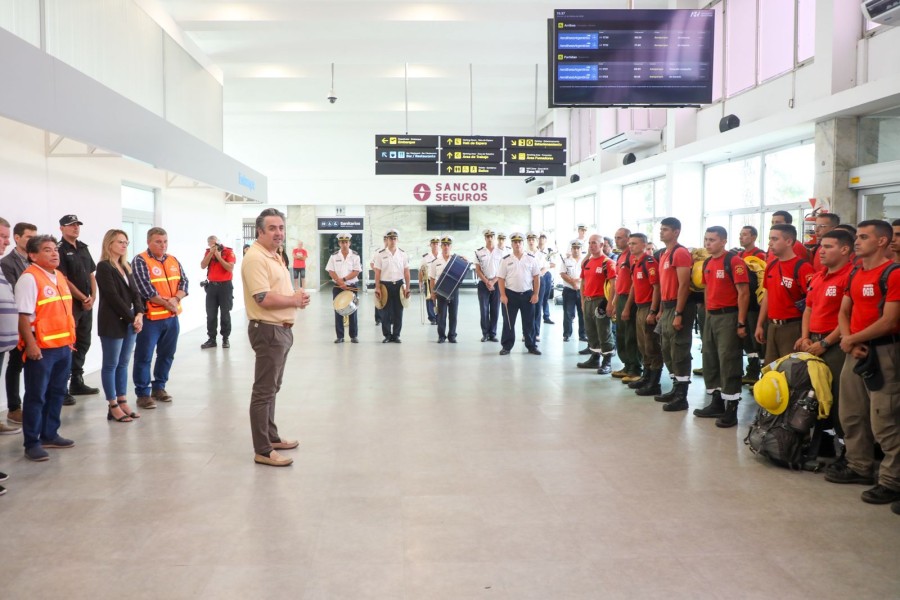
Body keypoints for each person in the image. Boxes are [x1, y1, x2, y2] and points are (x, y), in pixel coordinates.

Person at [829, 220, 900, 510]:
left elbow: (890, 321)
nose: (856, 242)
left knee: (885, 419)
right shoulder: (856, 272)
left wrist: (853, 338)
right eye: (856, 236)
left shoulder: (893, 274)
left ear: (882, 242)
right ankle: (859, 466)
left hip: (883, 353)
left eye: (863, 237)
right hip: (854, 351)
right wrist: (848, 339)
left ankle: (891, 481)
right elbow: (845, 310)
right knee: (851, 413)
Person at [242, 208, 309, 467]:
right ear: (260, 231)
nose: (278, 233)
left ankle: (272, 437)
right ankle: (263, 450)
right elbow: (263, 297)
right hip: (268, 330)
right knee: (263, 392)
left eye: (281, 228)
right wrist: (292, 299)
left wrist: (295, 299)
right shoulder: (255, 258)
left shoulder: (275, 255)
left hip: (280, 329)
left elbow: (275, 290)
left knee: (272, 388)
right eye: (272, 228)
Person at [16, 234, 76, 461]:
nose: (54, 254)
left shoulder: (58, 276)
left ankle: (50, 433)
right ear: (33, 255)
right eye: (47, 250)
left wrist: (70, 341)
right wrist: (30, 346)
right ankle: (32, 442)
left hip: (63, 346)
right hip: (41, 349)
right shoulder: (29, 278)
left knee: (57, 393)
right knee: (36, 395)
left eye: (55, 250)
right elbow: (23, 316)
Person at [795, 229, 854, 460]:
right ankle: (824, 443)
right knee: (817, 396)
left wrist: (827, 342)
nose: (821, 251)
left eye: (828, 247)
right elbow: (809, 308)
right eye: (821, 246)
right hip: (814, 342)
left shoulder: (850, 276)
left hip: (836, 345)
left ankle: (847, 452)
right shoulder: (819, 277)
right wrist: (805, 336)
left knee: (840, 399)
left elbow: (849, 316)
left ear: (845, 249)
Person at [692, 226, 749, 428]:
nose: (708, 243)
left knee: (728, 359)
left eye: (712, 240)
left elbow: (743, 293)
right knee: (710, 358)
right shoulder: (707, 262)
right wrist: (707, 314)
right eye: (706, 239)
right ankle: (716, 401)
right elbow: (708, 290)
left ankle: (731, 407)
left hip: (729, 316)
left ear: (723, 241)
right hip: (711, 316)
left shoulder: (733, 261)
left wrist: (741, 322)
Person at [131, 227, 188, 409]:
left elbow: (184, 283)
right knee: (144, 357)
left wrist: (176, 299)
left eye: (165, 241)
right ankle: (143, 393)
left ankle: (159, 388)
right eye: (158, 241)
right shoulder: (140, 260)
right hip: (150, 319)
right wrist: (167, 303)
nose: (162, 245)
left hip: (171, 318)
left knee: (167, 355)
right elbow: (145, 289)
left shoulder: (173, 260)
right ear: (149, 242)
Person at [95, 229, 144, 422]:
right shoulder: (104, 267)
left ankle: (123, 400)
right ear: (109, 244)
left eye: (126, 242)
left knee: (123, 363)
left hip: (131, 320)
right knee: (111, 364)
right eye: (120, 242)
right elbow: (113, 297)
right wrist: (133, 318)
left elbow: (136, 293)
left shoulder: (126, 265)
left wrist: (139, 313)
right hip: (112, 322)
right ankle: (113, 405)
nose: (124, 245)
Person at [755, 224, 814, 365]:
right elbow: (767, 296)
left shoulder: (803, 268)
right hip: (772, 326)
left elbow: (812, 303)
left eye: (775, 239)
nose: (770, 243)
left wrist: (805, 335)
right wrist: (760, 324)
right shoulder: (772, 265)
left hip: (793, 327)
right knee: (771, 370)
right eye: (770, 239)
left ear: (789, 241)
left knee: (791, 370)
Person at [654, 217, 696, 411]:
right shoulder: (664, 254)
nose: (661, 232)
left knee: (679, 350)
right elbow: (665, 286)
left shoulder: (680, 253)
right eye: (661, 229)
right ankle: (674, 387)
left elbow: (684, 285)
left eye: (665, 230)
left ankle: (682, 395)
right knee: (667, 349)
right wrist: (662, 309)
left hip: (680, 308)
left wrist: (678, 312)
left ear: (676, 232)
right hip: (667, 307)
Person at [56, 214, 98, 403]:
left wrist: (93, 297)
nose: (75, 228)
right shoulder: (59, 250)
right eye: (71, 225)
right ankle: (61, 387)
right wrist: (82, 298)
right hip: (71, 305)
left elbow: (91, 274)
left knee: (83, 341)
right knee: (69, 345)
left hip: (86, 304)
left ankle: (77, 380)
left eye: (77, 225)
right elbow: (63, 279)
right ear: (62, 229)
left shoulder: (82, 248)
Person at [0, 221, 36, 425]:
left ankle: (28, 405)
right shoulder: (7, 262)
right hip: (17, 322)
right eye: (29, 237)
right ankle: (14, 407)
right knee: (15, 364)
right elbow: (17, 293)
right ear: (17, 238)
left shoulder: (33, 261)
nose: (33, 241)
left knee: (29, 364)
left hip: (33, 322)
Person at [625, 233, 664, 397]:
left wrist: (653, 311)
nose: (630, 246)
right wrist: (628, 307)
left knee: (651, 346)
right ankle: (646, 376)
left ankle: (654, 382)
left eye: (634, 243)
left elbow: (657, 287)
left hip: (648, 307)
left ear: (644, 245)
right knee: (642, 345)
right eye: (629, 243)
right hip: (640, 307)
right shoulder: (636, 263)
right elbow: (634, 286)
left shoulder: (649, 263)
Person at [577, 234, 617, 374]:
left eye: (594, 243)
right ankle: (595, 358)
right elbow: (583, 282)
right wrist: (582, 301)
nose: (591, 245)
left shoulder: (608, 263)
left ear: (601, 245)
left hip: (601, 302)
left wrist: (610, 304)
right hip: (588, 301)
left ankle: (607, 362)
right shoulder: (586, 262)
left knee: (604, 332)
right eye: (589, 243)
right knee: (591, 332)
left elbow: (614, 284)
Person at [498, 232, 541, 355]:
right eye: (515, 242)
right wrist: (502, 295)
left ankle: (531, 346)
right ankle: (506, 346)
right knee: (508, 322)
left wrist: (536, 294)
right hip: (510, 295)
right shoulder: (506, 260)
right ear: (511, 244)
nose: (517, 244)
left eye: (519, 242)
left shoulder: (531, 259)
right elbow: (501, 278)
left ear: (523, 243)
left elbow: (537, 277)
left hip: (527, 295)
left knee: (529, 322)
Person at [0, 218, 23, 436]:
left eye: (7, 237)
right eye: (2, 236)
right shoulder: (7, 263)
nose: (5, 242)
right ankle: (13, 408)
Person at [737, 225, 766, 384]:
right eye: (740, 235)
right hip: (743, 304)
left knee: (757, 339)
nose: (741, 237)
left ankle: (760, 373)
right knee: (746, 340)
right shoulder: (739, 256)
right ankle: (751, 370)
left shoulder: (760, 255)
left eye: (745, 235)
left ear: (753, 237)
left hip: (755, 305)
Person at [612, 227, 641, 381]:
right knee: (621, 334)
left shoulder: (631, 256)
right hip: (621, 297)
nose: (617, 240)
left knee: (631, 335)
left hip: (630, 298)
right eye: (616, 237)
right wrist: (615, 302)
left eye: (620, 238)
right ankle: (627, 364)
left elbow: (634, 283)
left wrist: (628, 306)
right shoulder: (620, 256)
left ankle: (635, 368)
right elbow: (619, 281)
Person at [373, 228, 410, 343]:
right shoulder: (380, 254)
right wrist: (377, 287)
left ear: (397, 240)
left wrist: (407, 287)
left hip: (399, 285)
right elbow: (377, 272)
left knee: (399, 311)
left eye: (394, 238)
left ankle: (396, 335)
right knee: (385, 312)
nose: (393, 241)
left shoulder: (403, 254)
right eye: (390, 239)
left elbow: (406, 271)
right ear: (387, 240)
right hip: (385, 285)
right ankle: (387, 335)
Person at [200, 235, 236, 349]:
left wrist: (219, 257)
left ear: (219, 243)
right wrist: (211, 254)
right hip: (212, 287)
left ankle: (225, 339)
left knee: (225, 314)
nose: (213, 246)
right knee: (210, 314)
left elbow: (230, 268)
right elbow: (202, 265)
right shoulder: (208, 253)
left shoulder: (228, 252)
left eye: (215, 244)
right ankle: (212, 339)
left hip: (225, 287)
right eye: (210, 245)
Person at [325, 232, 361, 343]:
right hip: (338, 287)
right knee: (338, 311)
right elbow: (331, 270)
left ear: (349, 243)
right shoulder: (334, 256)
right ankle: (340, 336)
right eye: (342, 242)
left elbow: (356, 271)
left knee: (352, 311)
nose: (344, 244)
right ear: (339, 243)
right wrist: (340, 282)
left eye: (346, 242)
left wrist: (344, 280)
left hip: (351, 286)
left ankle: (353, 336)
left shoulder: (355, 255)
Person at [429, 236, 465, 343]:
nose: (446, 247)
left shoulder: (456, 260)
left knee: (453, 315)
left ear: (451, 246)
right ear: (441, 246)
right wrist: (432, 292)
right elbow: (432, 279)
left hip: (453, 291)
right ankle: (441, 336)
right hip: (441, 292)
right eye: (444, 245)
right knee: (441, 315)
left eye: (448, 245)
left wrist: (464, 259)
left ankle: (452, 336)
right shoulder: (435, 262)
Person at [474, 228, 503, 342]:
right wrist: (487, 281)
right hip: (483, 284)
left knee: (495, 309)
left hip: (497, 283)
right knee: (484, 309)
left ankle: (493, 333)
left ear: (494, 238)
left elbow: (502, 270)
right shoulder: (479, 252)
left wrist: (493, 281)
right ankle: (485, 333)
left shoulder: (501, 252)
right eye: (488, 236)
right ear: (485, 238)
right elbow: (477, 269)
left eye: (492, 236)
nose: (490, 238)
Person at [560, 239, 585, 343]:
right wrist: (572, 282)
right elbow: (563, 274)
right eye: (574, 248)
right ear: (571, 249)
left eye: (578, 248)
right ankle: (567, 334)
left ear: (581, 249)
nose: (576, 250)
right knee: (568, 313)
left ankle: (583, 335)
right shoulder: (566, 260)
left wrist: (579, 280)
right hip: (569, 290)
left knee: (582, 313)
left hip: (582, 291)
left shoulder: (585, 261)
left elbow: (587, 274)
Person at [526, 232, 549, 341]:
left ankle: (536, 333)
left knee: (537, 307)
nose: (531, 241)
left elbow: (545, 268)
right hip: (527, 283)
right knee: (527, 308)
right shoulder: (524, 254)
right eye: (529, 239)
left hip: (540, 282)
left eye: (533, 239)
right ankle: (526, 333)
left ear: (536, 241)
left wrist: (536, 276)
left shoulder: (541, 254)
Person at [538, 233, 556, 325]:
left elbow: (554, 264)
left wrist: (545, 267)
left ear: (546, 240)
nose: (541, 240)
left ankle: (546, 316)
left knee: (545, 297)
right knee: (536, 297)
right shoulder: (534, 250)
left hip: (546, 275)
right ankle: (536, 316)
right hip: (536, 275)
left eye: (543, 238)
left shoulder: (549, 251)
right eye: (540, 238)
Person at [421, 237, 440, 325]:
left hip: (440, 281)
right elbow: (421, 270)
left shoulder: (442, 255)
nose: (435, 245)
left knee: (440, 299)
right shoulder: (426, 257)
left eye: (437, 243)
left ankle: (439, 316)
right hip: (428, 281)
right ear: (430, 245)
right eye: (433, 244)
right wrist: (420, 283)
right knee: (429, 299)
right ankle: (432, 318)